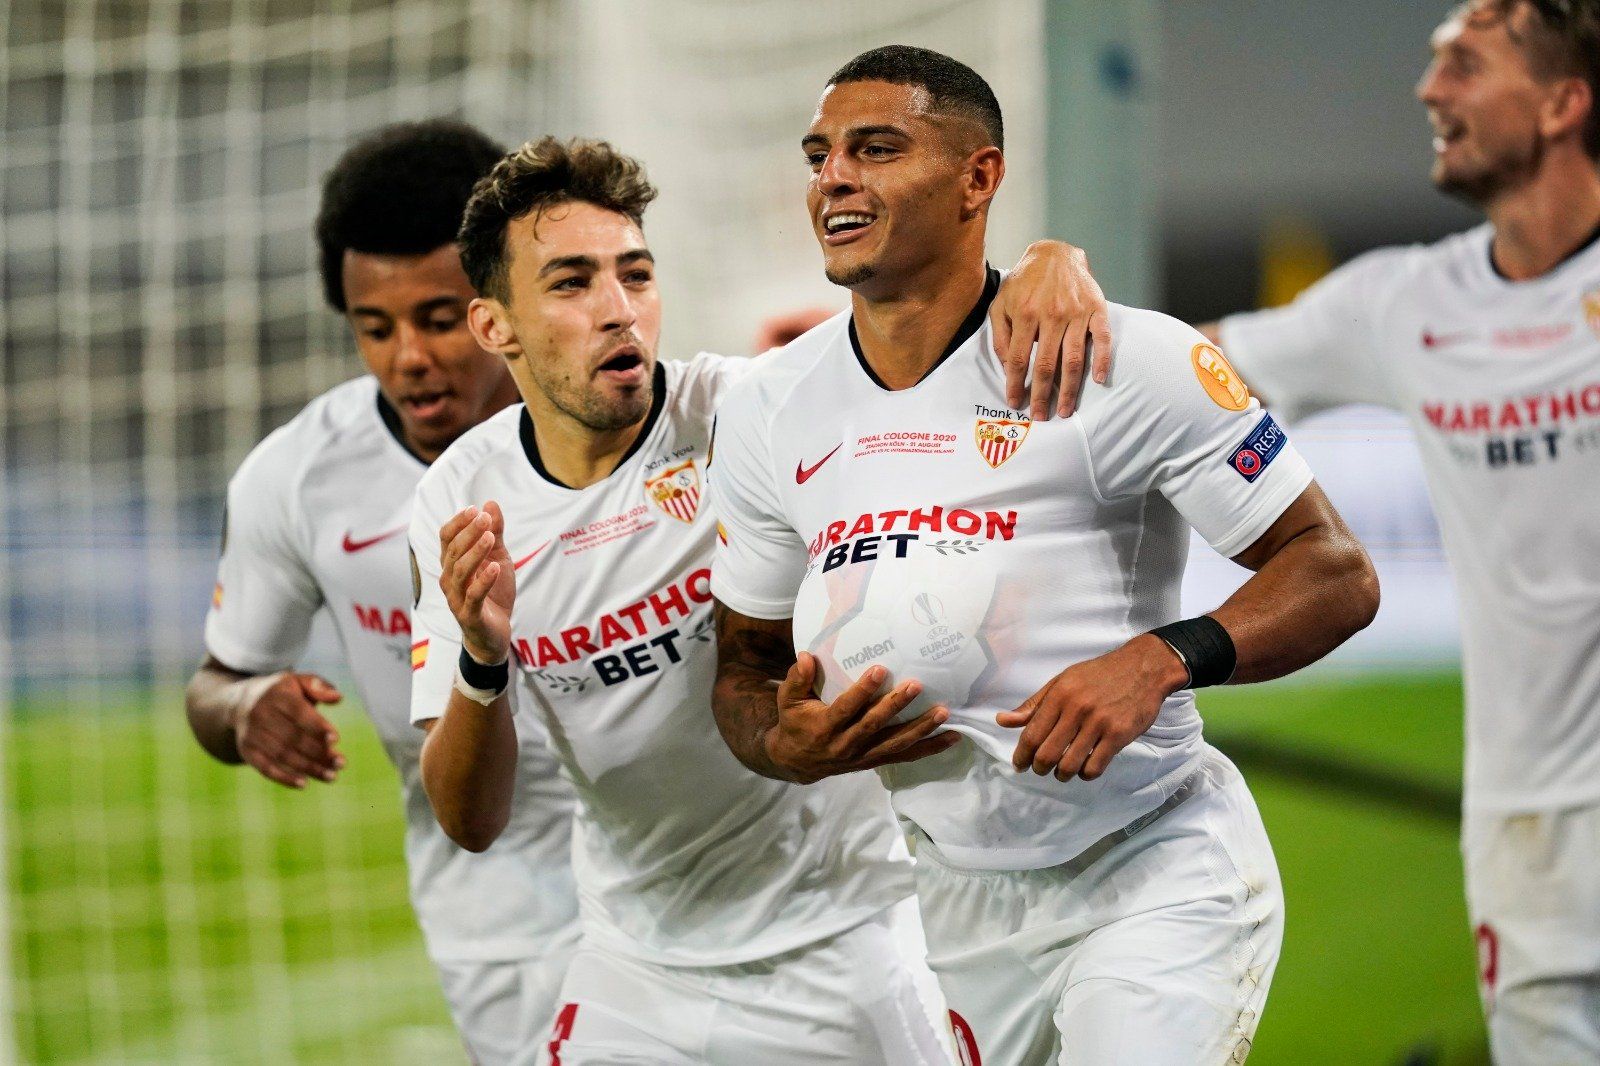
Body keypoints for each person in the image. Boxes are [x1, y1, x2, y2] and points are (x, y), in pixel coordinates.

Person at [708, 45, 1380, 1065]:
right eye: (820, 155)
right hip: (948, 902)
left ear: (979, 178)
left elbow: (1333, 568)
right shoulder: (768, 405)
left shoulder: (1118, 358)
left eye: (875, 148)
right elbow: (743, 670)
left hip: (1151, 864)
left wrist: (1159, 658)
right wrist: (779, 743)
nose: (833, 178)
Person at [406, 135, 1103, 1064]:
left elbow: (921, 350)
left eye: (637, 274)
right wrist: (482, 660)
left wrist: (1052, 261)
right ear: (494, 327)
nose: (620, 312)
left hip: (852, 943)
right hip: (636, 967)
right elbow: (469, 820)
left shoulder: (755, 415)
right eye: (572, 284)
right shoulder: (461, 501)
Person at [1181, 2, 1600, 1059]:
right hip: (1529, 845)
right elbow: (1162, 372)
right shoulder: (1406, 303)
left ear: (1562, 101)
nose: (1427, 90)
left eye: (1464, 63)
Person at [186, 120, 582, 1064]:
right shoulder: (297, 477)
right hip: (504, 909)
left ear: (500, 304)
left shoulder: (626, 420)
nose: (407, 356)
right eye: (375, 327)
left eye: (438, 319)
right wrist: (244, 707)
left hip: (692, 865)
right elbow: (214, 682)